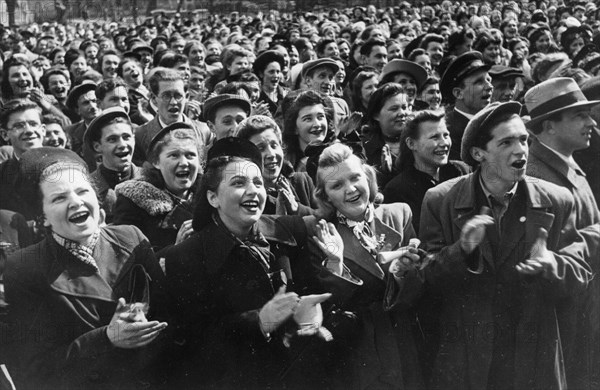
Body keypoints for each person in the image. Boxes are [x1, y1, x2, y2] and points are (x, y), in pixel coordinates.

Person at [419, 101, 590, 390]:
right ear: (478, 153)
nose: (521, 149)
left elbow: (581, 275)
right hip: (468, 357)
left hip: (534, 358)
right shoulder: (440, 200)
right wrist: (462, 250)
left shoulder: (558, 199)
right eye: (506, 142)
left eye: (524, 139)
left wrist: (553, 265)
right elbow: (424, 280)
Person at [161, 137, 330, 388]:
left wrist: (312, 315)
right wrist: (259, 321)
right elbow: (193, 343)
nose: (253, 191)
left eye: (258, 183)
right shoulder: (184, 257)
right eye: (239, 183)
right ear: (213, 197)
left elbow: (313, 291)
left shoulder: (291, 230)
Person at [3, 147, 167, 389]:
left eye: (82, 191)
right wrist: (106, 339)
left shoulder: (131, 238)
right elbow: (35, 371)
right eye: (59, 198)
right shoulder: (25, 268)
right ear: (44, 216)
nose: (76, 202)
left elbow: (169, 315)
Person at [305, 142, 425, 389]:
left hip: (406, 339)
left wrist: (405, 273)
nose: (350, 189)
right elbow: (332, 303)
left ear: (367, 177)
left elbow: (421, 287)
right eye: (337, 185)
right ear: (325, 195)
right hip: (362, 350)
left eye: (354, 178)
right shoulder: (321, 232)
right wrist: (335, 264)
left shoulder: (399, 213)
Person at [524, 77, 600, 390]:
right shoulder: (536, 177)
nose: (591, 123)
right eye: (579, 116)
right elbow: (551, 257)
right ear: (549, 126)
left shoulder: (567, 161)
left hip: (587, 310)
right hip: (565, 322)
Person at [113, 122, 200, 252]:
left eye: (190, 155)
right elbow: (127, 258)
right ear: (156, 162)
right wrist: (175, 250)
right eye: (174, 155)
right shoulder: (133, 202)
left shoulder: (212, 194)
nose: (183, 162)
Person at [383, 111, 469, 234]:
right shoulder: (397, 190)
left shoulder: (462, 171)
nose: (444, 143)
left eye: (446, 135)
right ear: (411, 144)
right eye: (434, 137)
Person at [237, 115, 317, 216]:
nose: (271, 154)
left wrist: (297, 208)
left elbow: (327, 220)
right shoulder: (247, 196)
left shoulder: (303, 181)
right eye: (261, 148)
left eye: (274, 145)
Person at [133, 68, 213, 165]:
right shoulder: (140, 135)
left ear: (186, 97)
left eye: (178, 96)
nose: (173, 102)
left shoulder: (204, 131)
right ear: (154, 99)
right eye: (166, 96)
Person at [86, 107, 141, 223]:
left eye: (126, 137)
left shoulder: (152, 179)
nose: (122, 144)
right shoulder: (88, 188)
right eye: (112, 139)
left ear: (134, 139)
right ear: (97, 146)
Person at [440, 51, 493, 161]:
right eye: (479, 82)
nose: (489, 87)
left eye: (488, 80)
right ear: (459, 93)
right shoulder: (448, 132)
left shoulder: (496, 121)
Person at [0, 99, 46, 221]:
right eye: (18, 126)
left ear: (43, 130)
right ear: (5, 135)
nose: (29, 131)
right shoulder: (2, 174)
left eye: (33, 123)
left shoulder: (68, 165)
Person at [362, 83, 412, 187]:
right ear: (376, 115)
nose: (402, 113)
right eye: (394, 109)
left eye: (404, 107)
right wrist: (384, 174)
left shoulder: (419, 139)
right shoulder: (365, 148)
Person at [282, 90, 334, 172]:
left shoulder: (337, 155)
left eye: (320, 117)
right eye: (308, 119)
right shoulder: (286, 164)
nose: (317, 124)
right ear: (294, 128)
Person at [253, 50, 287, 116]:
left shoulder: (287, 94)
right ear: (261, 74)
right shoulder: (256, 96)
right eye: (271, 72)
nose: (276, 75)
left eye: (278, 72)